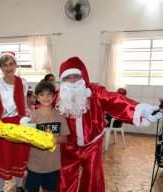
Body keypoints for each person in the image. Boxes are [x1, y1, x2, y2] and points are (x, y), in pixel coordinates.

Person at [55, 56, 163, 192]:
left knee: (93, 180)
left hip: (92, 144)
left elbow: (116, 100)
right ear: (62, 80)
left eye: (76, 76)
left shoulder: (95, 92)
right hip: (68, 146)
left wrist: (144, 111)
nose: (72, 81)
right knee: (65, 179)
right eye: (68, 77)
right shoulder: (57, 96)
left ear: (82, 77)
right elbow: (43, 114)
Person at [0, 51, 30, 192]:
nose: (8, 68)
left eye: (11, 64)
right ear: (1, 67)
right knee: (1, 160)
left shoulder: (23, 83)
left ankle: (20, 187)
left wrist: (29, 121)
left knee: (18, 158)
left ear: (15, 65)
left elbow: (24, 106)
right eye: (4, 65)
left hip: (18, 126)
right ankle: (0, 189)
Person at [25, 80, 70, 192]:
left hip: (52, 164)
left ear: (54, 96)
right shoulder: (32, 116)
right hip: (35, 163)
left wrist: (51, 138)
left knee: (49, 189)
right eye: (42, 94)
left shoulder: (60, 116)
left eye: (49, 94)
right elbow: (28, 138)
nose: (46, 97)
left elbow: (65, 138)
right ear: (37, 98)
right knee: (32, 189)